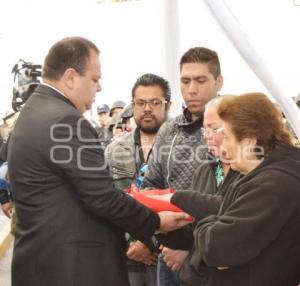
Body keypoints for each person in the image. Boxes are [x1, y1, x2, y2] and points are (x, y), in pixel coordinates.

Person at [7, 37, 191, 286]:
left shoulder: (34, 112)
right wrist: (156, 222)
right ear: (71, 77)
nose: (99, 87)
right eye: (94, 79)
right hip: (73, 269)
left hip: (44, 263)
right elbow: (103, 198)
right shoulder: (66, 121)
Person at [188, 92, 300, 286]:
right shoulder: (261, 178)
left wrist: (204, 225)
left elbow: (218, 249)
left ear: (249, 141)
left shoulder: (272, 185)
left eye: (228, 137)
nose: (224, 147)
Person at [142, 47, 223, 286]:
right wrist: (164, 241)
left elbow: (235, 202)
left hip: (215, 256)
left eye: (200, 80)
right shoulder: (169, 129)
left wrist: (191, 247)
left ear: (218, 82)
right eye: (185, 81)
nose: (192, 89)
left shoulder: (235, 128)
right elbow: (151, 186)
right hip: (169, 254)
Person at [106, 73, 171, 286]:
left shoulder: (182, 148)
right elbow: (104, 202)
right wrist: (127, 247)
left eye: (155, 102)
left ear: (167, 106)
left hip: (169, 258)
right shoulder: (114, 150)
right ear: (132, 106)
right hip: (125, 257)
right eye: (140, 103)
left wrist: (149, 243)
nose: (147, 108)